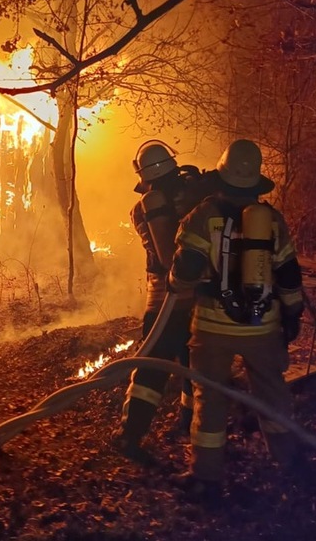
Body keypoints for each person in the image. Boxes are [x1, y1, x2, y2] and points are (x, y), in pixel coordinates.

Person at [168, 138, 304, 500]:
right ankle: (290, 464)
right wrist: (292, 313)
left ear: (222, 176)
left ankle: (205, 478)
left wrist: (175, 283)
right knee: (273, 395)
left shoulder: (203, 214)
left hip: (213, 327)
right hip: (263, 326)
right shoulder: (272, 220)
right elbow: (289, 274)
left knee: (209, 399)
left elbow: (187, 268)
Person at [111, 139, 216, 465]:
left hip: (166, 299)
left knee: (149, 372)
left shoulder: (149, 202)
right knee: (191, 365)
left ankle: (130, 435)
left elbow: (165, 257)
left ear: (144, 174)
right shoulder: (192, 191)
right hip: (200, 296)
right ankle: (189, 424)